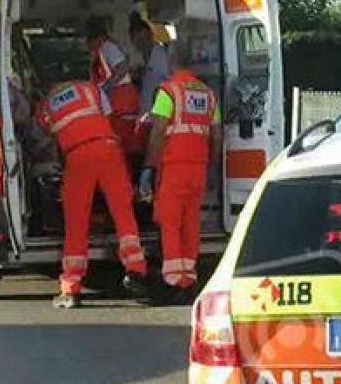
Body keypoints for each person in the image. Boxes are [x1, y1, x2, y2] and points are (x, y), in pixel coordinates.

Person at [35, 76, 147, 308]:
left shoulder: (46, 104)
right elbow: (109, 118)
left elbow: (46, 140)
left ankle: (71, 287)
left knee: (77, 221)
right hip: (109, 148)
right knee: (123, 212)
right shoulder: (90, 89)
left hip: (78, 156)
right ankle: (136, 270)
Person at [139, 54, 222, 295]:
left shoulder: (168, 91)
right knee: (191, 222)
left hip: (174, 166)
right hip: (198, 168)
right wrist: (212, 166)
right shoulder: (208, 94)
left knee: (170, 221)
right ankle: (189, 276)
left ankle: (174, 279)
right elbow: (216, 135)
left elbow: (157, 132)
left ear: (172, 67)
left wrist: (148, 167)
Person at [86, 16, 142, 153]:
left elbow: (122, 67)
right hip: (116, 107)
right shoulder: (100, 50)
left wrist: (107, 87)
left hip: (122, 105)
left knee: (122, 147)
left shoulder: (107, 47)